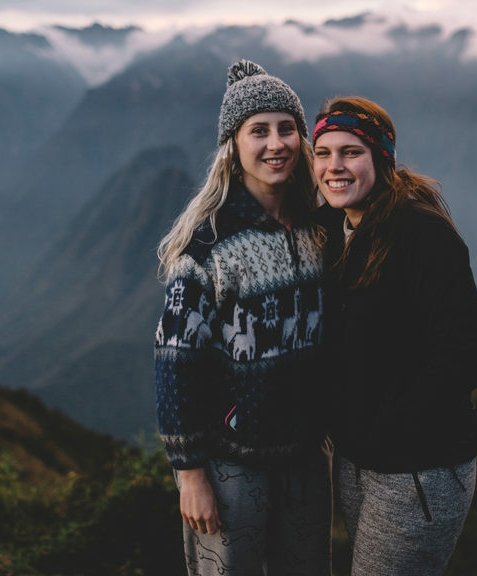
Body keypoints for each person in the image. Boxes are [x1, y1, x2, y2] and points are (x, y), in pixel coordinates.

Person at [154, 59, 330, 575]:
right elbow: (174, 364)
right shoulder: (206, 249)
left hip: (305, 455)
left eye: (287, 128)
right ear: (233, 144)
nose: (276, 143)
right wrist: (190, 475)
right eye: (259, 131)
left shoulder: (318, 228)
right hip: (232, 461)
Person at [313, 96, 477, 575]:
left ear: (382, 158)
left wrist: (388, 427)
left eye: (351, 152)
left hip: (418, 469)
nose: (335, 166)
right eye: (323, 152)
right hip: (357, 460)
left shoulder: (422, 234)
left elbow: (466, 353)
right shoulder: (334, 227)